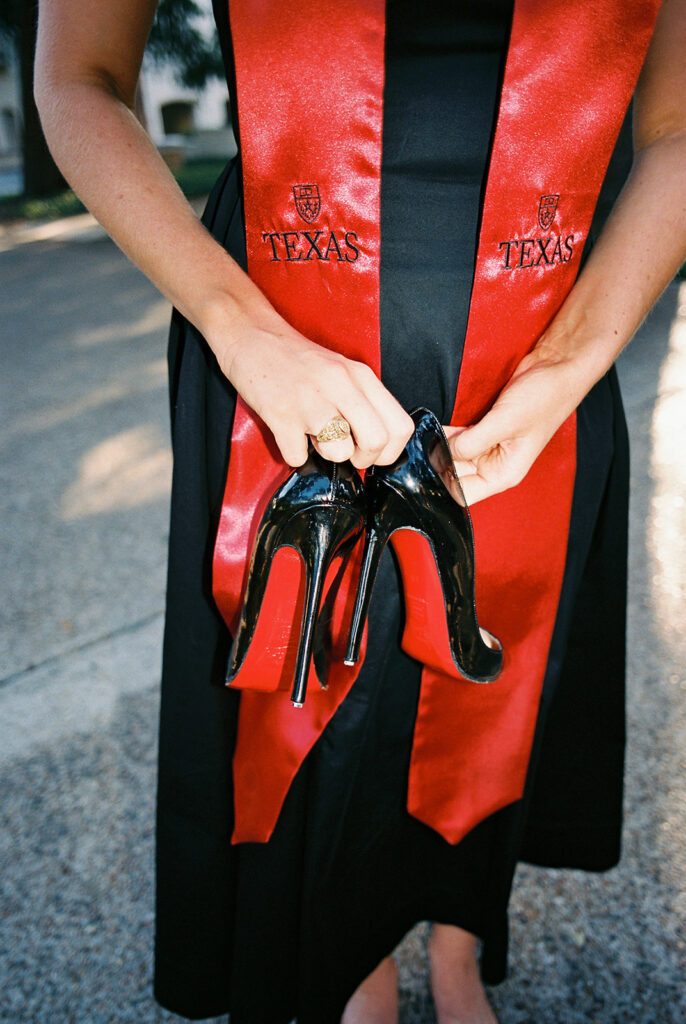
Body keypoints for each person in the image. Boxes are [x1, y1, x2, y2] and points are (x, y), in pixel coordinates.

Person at [35, 1, 686, 1022]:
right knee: (312, 675)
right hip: (281, 342)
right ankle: (352, 957)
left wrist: (567, 363)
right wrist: (236, 326)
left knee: (491, 667)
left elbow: (675, 125)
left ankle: (462, 940)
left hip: (542, 342)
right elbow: (80, 78)